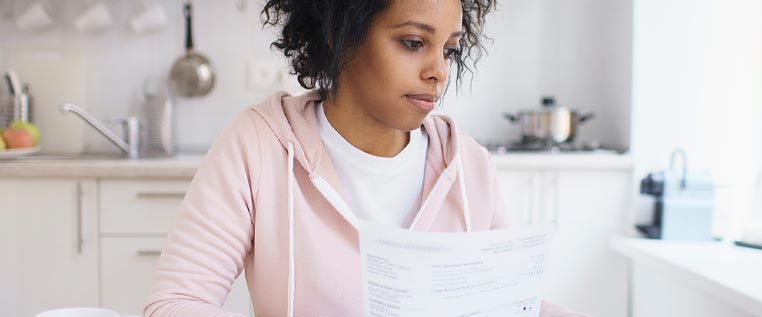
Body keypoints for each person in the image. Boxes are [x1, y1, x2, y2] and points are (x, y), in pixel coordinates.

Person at [145, 0, 588, 316]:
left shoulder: (468, 165)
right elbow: (176, 302)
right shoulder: (258, 145)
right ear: (342, 35)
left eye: (449, 49)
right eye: (414, 42)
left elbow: (511, 305)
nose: (439, 70)